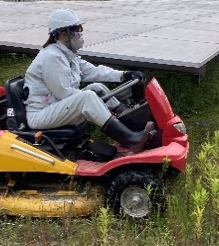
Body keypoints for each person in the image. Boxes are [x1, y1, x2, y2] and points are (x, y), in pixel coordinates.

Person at [24, 8, 153, 153]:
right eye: (77, 31)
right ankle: (130, 140)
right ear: (63, 33)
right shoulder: (51, 57)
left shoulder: (67, 55)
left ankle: (134, 126)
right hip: (41, 115)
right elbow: (64, 94)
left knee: (97, 88)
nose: (80, 35)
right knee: (87, 97)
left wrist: (123, 74)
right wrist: (91, 100)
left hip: (54, 107)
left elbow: (93, 71)